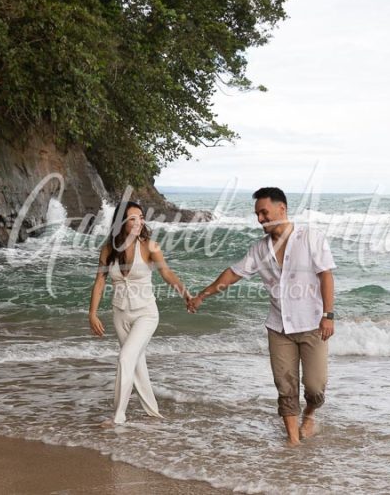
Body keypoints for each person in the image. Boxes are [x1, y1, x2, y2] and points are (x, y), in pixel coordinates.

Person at [188, 187, 336, 445]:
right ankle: (293, 441)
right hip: (278, 328)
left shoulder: (310, 238)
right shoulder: (259, 249)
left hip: (312, 324)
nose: (260, 219)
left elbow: (326, 275)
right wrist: (203, 295)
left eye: (264, 213)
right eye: (257, 214)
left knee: (315, 386)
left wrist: (328, 315)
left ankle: (310, 415)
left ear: (282, 209)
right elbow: (233, 273)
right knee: (285, 387)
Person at [87, 200, 192, 426]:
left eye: (141, 217)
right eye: (132, 218)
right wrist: (92, 314)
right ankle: (153, 412)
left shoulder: (149, 246)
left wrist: (185, 294)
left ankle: (118, 416)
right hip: (120, 314)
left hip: (146, 314)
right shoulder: (108, 249)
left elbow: (166, 273)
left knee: (126, 358)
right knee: (136, 363)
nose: (138, 222)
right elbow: (99, 282)